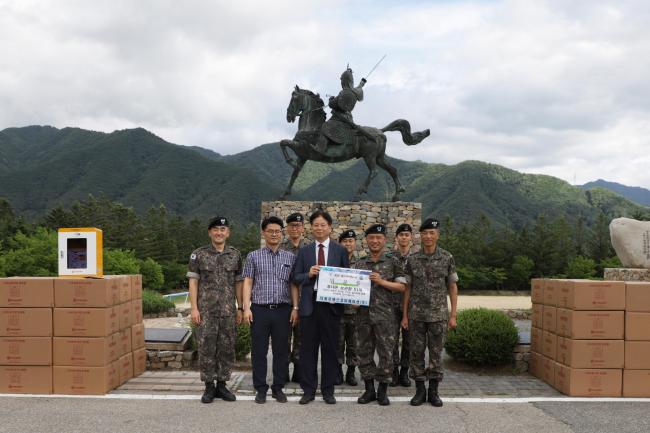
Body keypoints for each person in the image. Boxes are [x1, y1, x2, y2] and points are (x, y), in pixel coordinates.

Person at [291, 209, 349, 404]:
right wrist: (308, 274)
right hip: (310, 305)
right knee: (308, 349)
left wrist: (340, 296)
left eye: (323, 225)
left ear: (330, 228)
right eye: (316, 225)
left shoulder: (340, 250)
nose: (319, 228)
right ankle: (308, 390)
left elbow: (346, 278)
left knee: (331, 350)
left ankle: (328, 390)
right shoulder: (305, 251)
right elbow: (295, 277)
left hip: (331, 306)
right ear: (311, 228)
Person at [241, 216, 299, 404]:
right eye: (270, 231)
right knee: (259, 351)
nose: (274, 234)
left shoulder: (290, 257)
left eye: (277, 231)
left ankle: (278, 387)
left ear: (282, 233)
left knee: (282, 351)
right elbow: (247, 282)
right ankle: (261, 388)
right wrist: (245, 307)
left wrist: (295, 307)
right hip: (259, 309)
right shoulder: (253, 256)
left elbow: (293, 285)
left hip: (283, 310)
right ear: (263, 233)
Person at [402, 218, 458, 407]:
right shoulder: (412, 259)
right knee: (415, 353)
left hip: (438, 316)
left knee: (436, 354)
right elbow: (407, 288)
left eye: (431, 233)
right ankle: (420, 391)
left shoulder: (447, 257)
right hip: (416, 315)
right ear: (420, 236)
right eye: (424, 233)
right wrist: (404, 315)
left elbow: (452, 286)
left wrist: (453, 315)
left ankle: (433, 392)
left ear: (437, 235)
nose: (428, 236)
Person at [187, 216, 243, 404]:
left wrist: (241, 308)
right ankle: (209, 386)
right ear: (209, 232)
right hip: (206, 311)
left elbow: (238, 283)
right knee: (206, 347)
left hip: (228, 311)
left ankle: (222, 384)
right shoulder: (199, 254)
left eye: (223, 229)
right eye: (216, 229)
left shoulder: (235, 255)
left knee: (226, 348)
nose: (219, 233)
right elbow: (193, 282)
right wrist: (194, 308)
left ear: (228, 233)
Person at [352, 224, 407, 406]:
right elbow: (352, 290)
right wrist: (352, 300)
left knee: (386, 354)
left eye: (379, 238)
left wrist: (381, 281)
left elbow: (401, 286)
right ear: (366, 240)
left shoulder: (393, 262)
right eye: (371, 238)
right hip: (363, 316)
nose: (375, 241)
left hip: (386, 317)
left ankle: (383, 390)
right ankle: (369, 390)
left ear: (384, 240)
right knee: (363, 353)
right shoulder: (359, 263)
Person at [278, 212, 308, 383]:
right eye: (292, 226)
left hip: (305, 300)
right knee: (283, 338)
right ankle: (282, 372)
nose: (295, 228)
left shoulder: (309, 249)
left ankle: (298, 370)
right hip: (284, 300)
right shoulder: (280, 248)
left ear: (303, 228)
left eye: (298, 225)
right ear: (287, 228)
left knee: (302, 338)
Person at [315, 66, 367, 153]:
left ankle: (321, 148)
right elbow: (358, 88)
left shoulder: (345, 92)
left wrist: (331, 100)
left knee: (325, 127)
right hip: (348, 117)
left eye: (342, 80)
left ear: (345, 81)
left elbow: (334, 104)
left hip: (340, 118)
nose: (341, 82)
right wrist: (361, 84)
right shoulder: (354, 93)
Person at [390, 223, 414, 387]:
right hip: (391, 305)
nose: (404, 237)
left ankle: (405, 372)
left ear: (411, 238)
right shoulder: (389, 257)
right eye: (401, 235)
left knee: (409, 341)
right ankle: (393, 372)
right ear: (396, 238)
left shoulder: (417, 257)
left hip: (412, 306)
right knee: (391, 341)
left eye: (407, 235)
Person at [336, 229, 359, 386]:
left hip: (356, 313)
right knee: (337, 344)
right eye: (345, 241)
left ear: (355, 244)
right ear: (340, 243)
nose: (348, 244)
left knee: (354, 345)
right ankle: (337, 372)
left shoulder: (362, 263)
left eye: (351, 241)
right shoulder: (334, 263)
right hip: (337, 311)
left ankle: (351, 373)